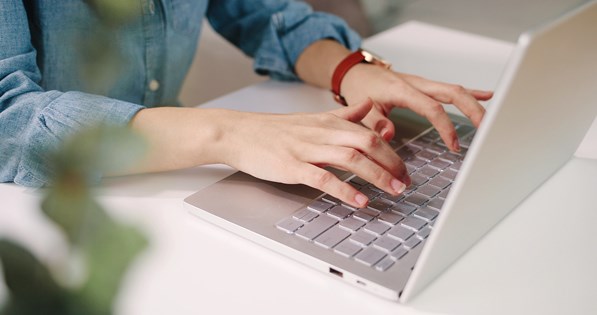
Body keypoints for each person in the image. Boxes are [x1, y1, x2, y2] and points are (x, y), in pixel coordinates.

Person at [0, 0, 492, 209]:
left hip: (170, 176)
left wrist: (350, 69)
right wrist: (229, 132)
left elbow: (262, 13)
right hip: (39, 203)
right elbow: (11, 116)